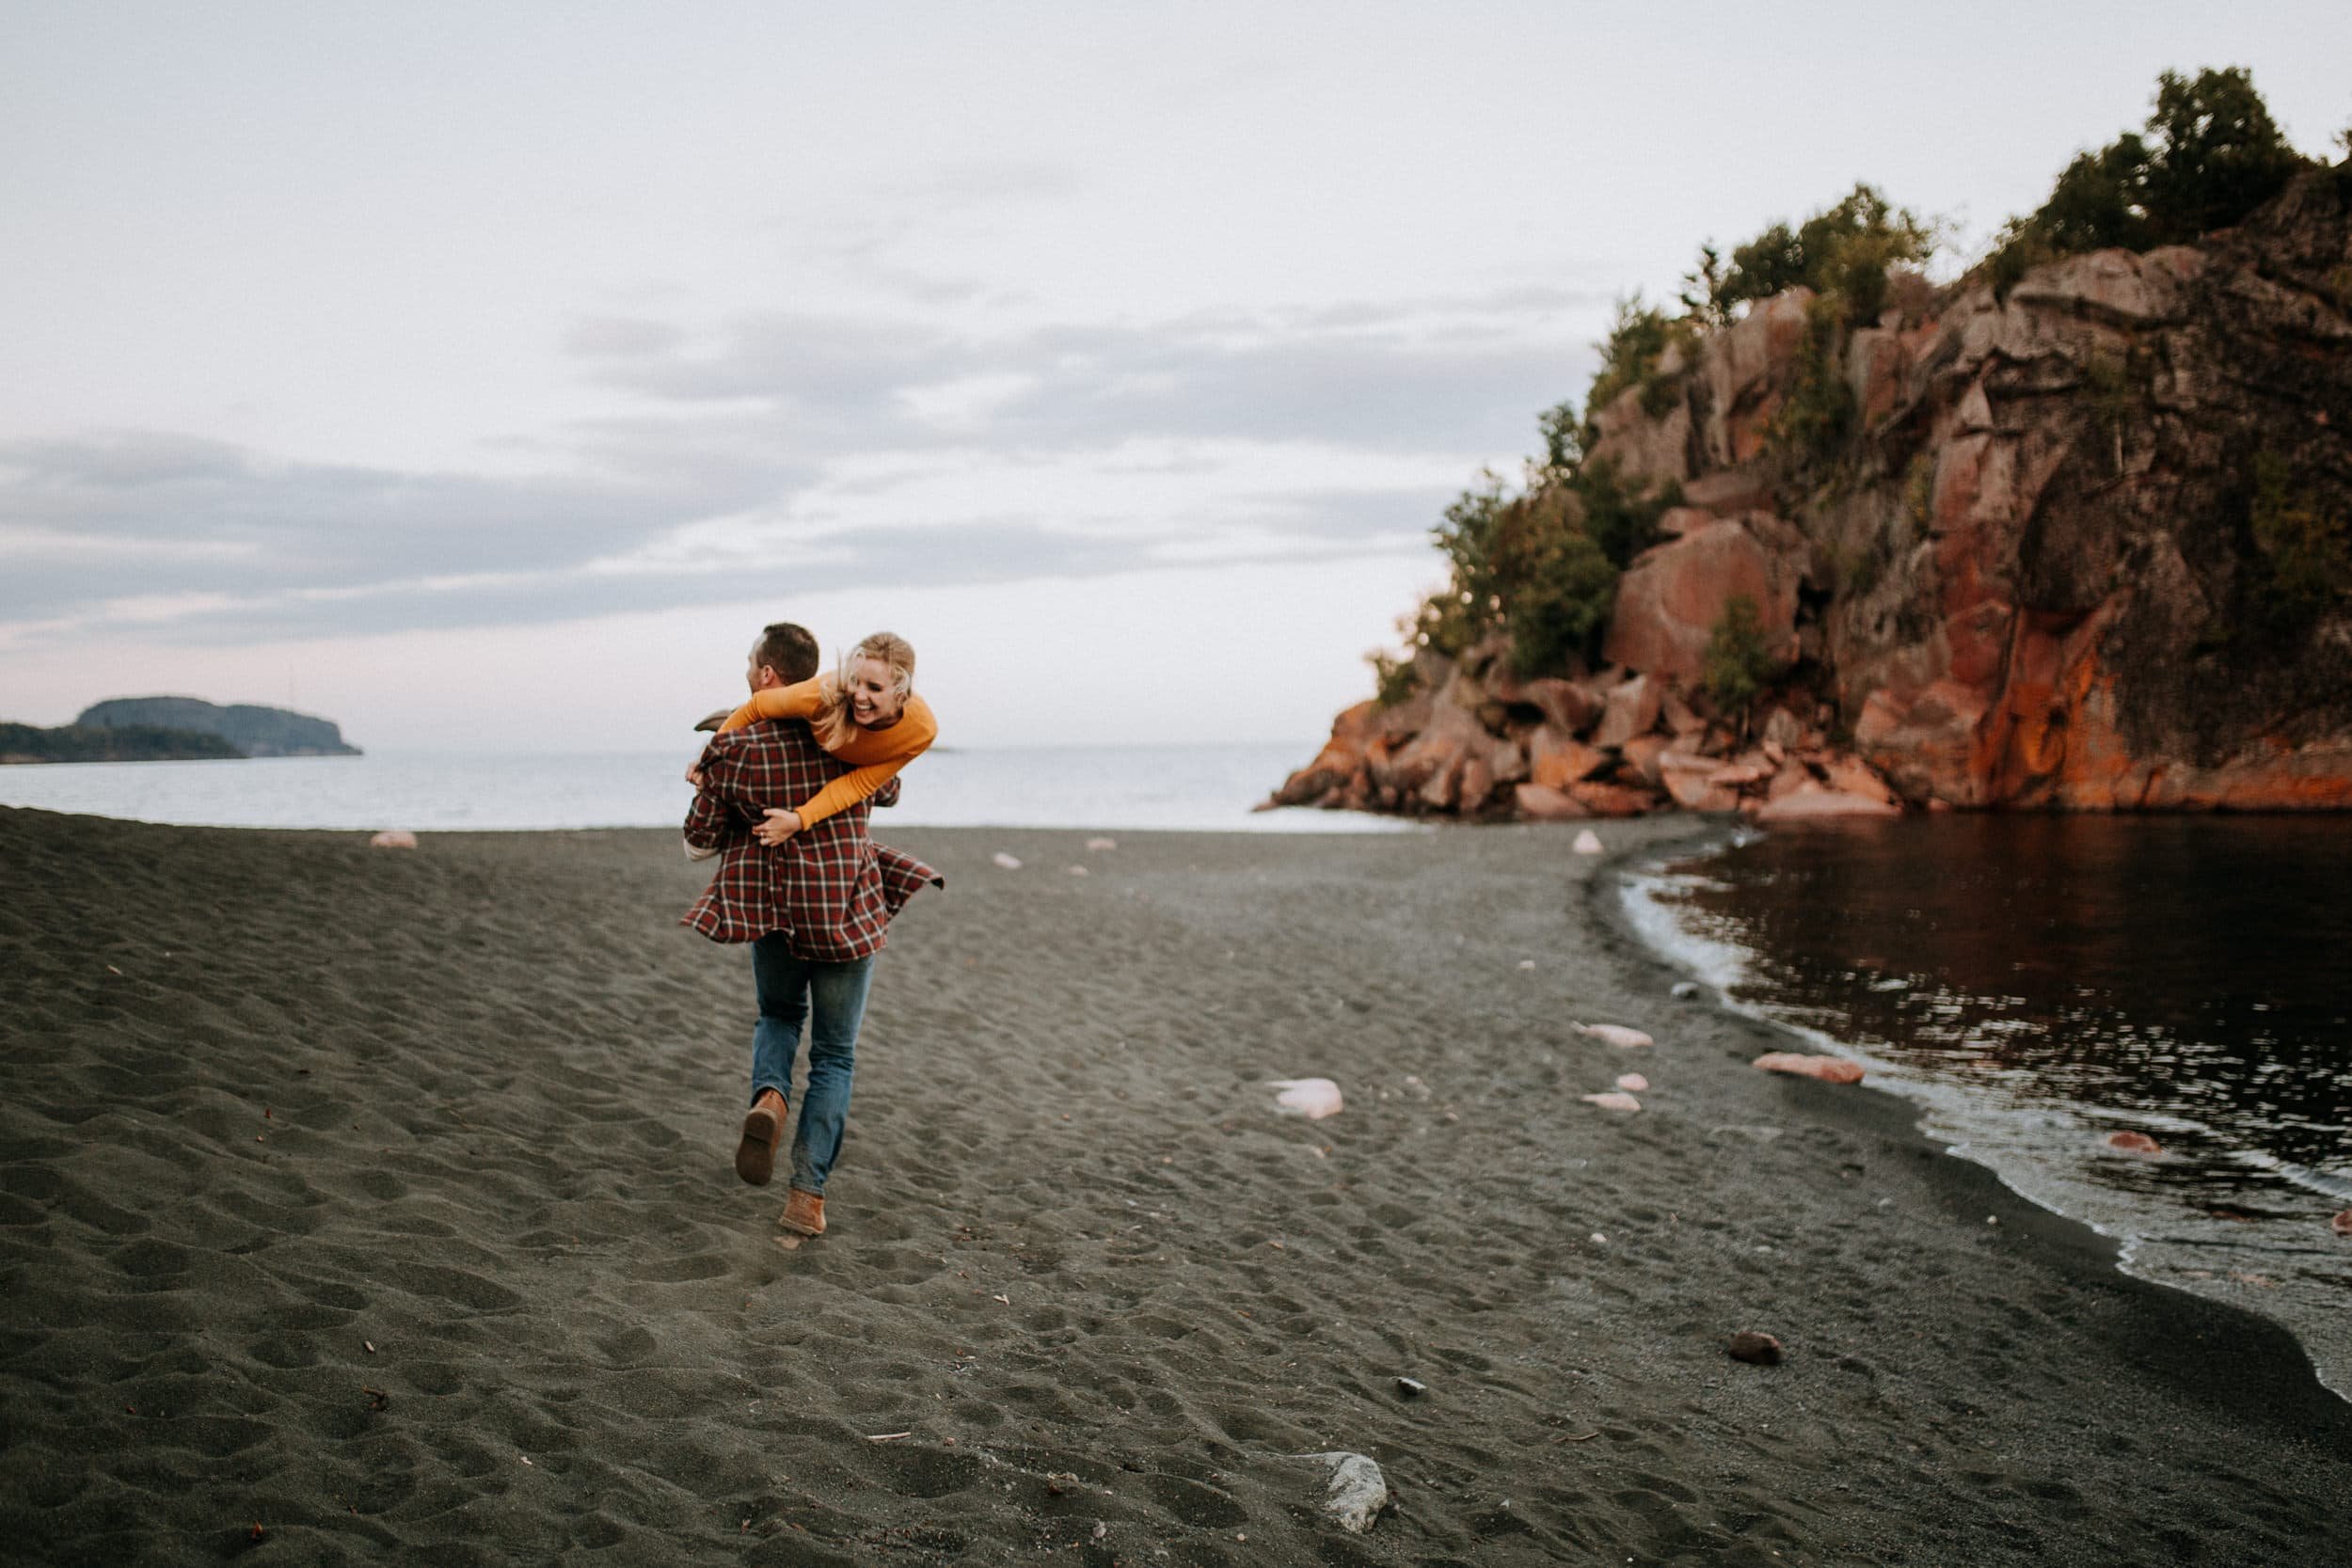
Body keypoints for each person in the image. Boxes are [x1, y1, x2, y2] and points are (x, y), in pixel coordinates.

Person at [682, 622, 941, 1239]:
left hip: (776, 908)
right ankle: (806, 1198)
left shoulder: (748, 745)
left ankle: (770, 1096)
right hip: (846, 907)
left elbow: (700, 838)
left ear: (770, 677)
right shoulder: (867, 738)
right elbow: (888, 786)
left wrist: (710, 774)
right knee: (834, 1054)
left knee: (777, 1015)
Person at [708, 631, 935, 847]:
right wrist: (708, 756)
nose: (858, 694)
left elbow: (859, 783)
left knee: (888, 792)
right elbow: (759, 705)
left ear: (901, 695)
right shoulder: (824, 692)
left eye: (874, 688)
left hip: (860, 760)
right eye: (855, 680)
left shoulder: (921, 730)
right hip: (809, 732)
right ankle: (727, 719)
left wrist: (797, 820)